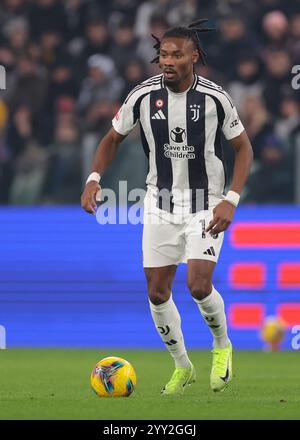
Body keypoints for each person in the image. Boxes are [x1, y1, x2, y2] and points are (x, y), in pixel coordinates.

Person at [81, 19, 253, 396]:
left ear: (194, 57)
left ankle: (222, 345)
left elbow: (243, 148)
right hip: (159, 205)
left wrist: (231, 200)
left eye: (177, 54)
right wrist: (95, 177)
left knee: (197, 284)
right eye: (163, 54)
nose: (168, 61)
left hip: (206, 204)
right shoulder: (142, 96)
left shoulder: (215, 98)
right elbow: (112, 138)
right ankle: (182, 366)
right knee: (157, 293)